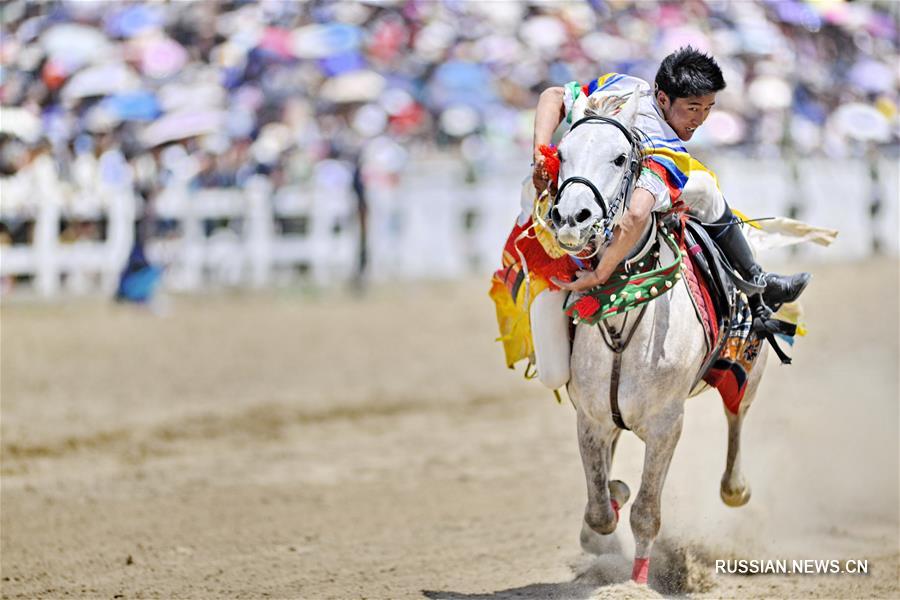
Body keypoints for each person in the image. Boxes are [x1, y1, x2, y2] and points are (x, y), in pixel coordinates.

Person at [508, 46, 811, 391]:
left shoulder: (622, 84)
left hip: (555, 216)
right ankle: (757, 281)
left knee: (552, 361)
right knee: (709, 190)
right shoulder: (665, 146)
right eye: (692, 109)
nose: (699, 120)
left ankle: (756, 279)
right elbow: (636, 215)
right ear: (663, 98)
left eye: (708, 109)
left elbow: (553, 96)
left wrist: (542, 154)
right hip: (586, 216)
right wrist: (599, 275)